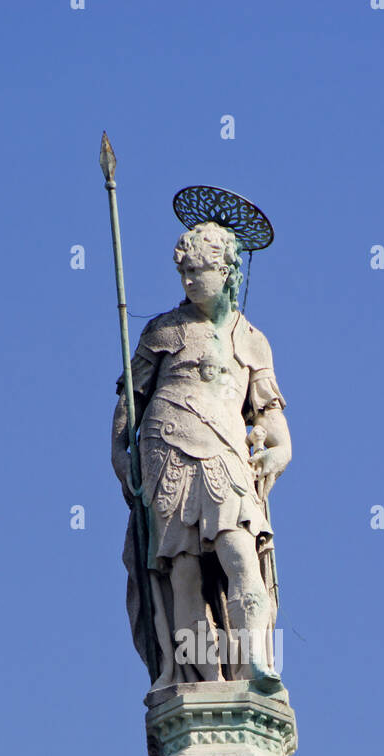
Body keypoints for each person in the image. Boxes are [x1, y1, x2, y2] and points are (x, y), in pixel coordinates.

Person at [111, 220, 291, 689]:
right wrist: (124, 458)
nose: (189, 280)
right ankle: (199, 677)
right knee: (183, 570)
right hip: (166, 448)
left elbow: (271, 419)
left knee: (239, 552)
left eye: (199, 271)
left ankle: (253, 660)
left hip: (226, 453)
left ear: (228, 271)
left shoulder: (252, 339)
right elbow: (129, 405)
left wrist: (277, 452)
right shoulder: (161, 330)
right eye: (184, 272)